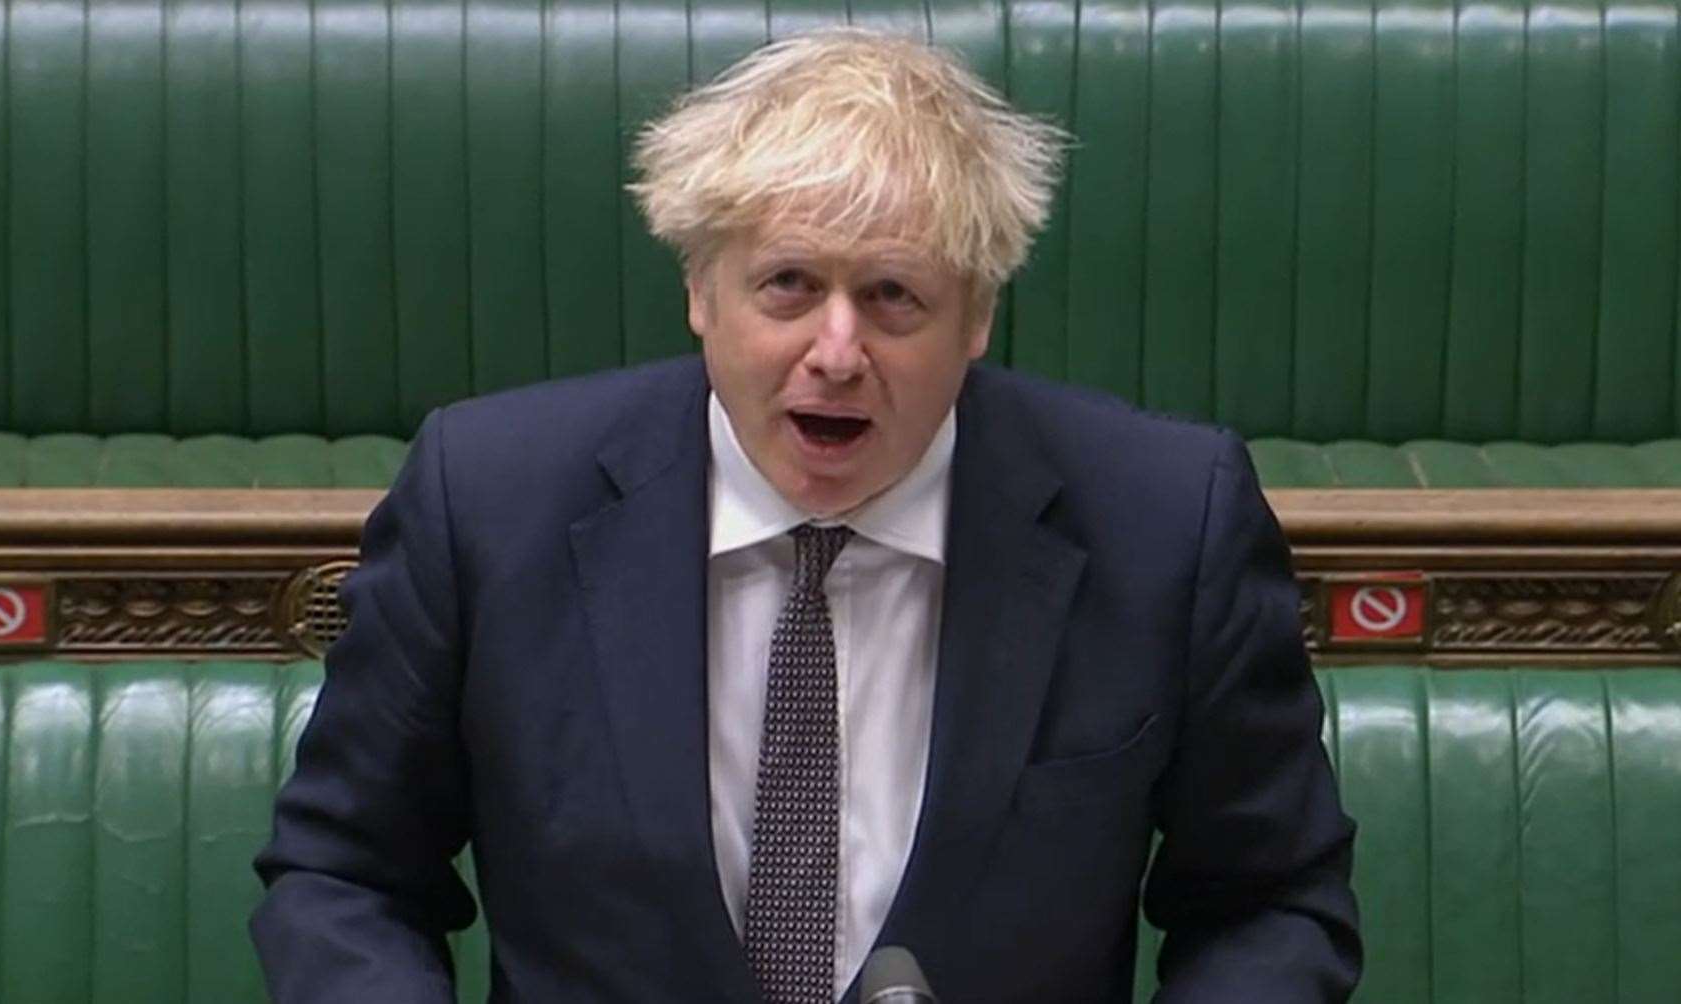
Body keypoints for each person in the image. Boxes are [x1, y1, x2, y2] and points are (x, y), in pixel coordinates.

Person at [251, 27, 1360, 1003]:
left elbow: (1274, 903)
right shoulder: (490, 501)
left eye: (893, 296)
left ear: (978, 315)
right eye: (787, 284)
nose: (836, 353)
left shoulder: (1165, 522)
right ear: (700, 290)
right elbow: (344, 871)